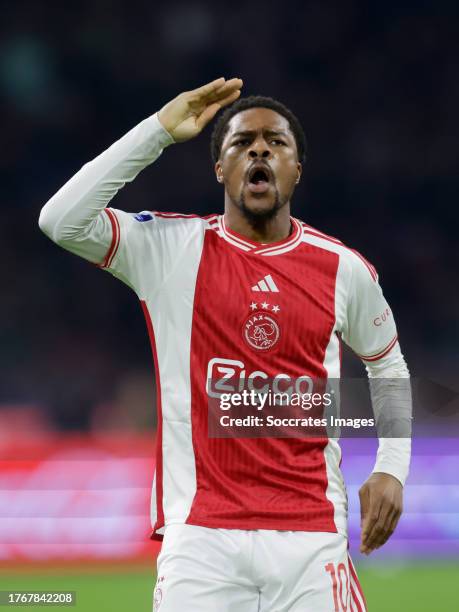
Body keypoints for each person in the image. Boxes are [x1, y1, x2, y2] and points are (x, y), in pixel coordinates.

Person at [39, 77, 411, 611]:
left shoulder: (342, 269)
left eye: (276, 142)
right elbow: (60, 220)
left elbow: (388, 365)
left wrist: (392, 467)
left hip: (311, 538)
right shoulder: (169, 250)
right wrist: (158, 132)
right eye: (241, 142)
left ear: (296, 170)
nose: (259, 148)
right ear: (220, 168)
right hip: (200, 544)